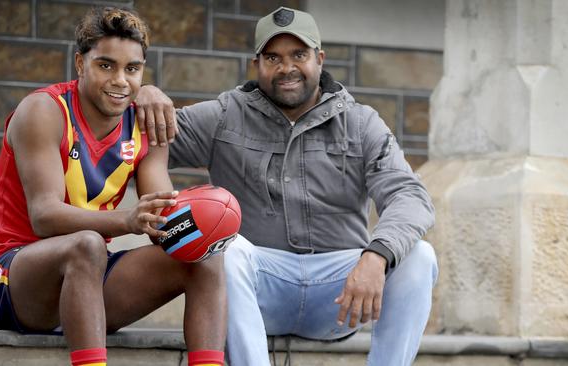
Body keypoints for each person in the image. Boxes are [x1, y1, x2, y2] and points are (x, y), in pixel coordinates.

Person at [136, 6, 439, 366]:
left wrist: (376, 256)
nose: (286, 68)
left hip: (339, 296)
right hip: (257, 289)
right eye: (273, 57)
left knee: (419, 257)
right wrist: (143, 92)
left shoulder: (361, 123)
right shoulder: (225, 115)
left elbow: (410, 195)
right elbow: (136, 136)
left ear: (320, 59)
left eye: (299, 54)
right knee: (225, 251)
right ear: (256, 64)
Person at [0, 7, 226, 366]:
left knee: (206, 259)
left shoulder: (146, 125)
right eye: (105, 65)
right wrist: (128, 220)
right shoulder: (43, 111)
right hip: (12, 279)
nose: (120, 80)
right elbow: (43, 216)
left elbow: (161, 222)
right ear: (80, 64)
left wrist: (204, 222)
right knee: (87, 245)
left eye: (132, 69)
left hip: (88, 279)